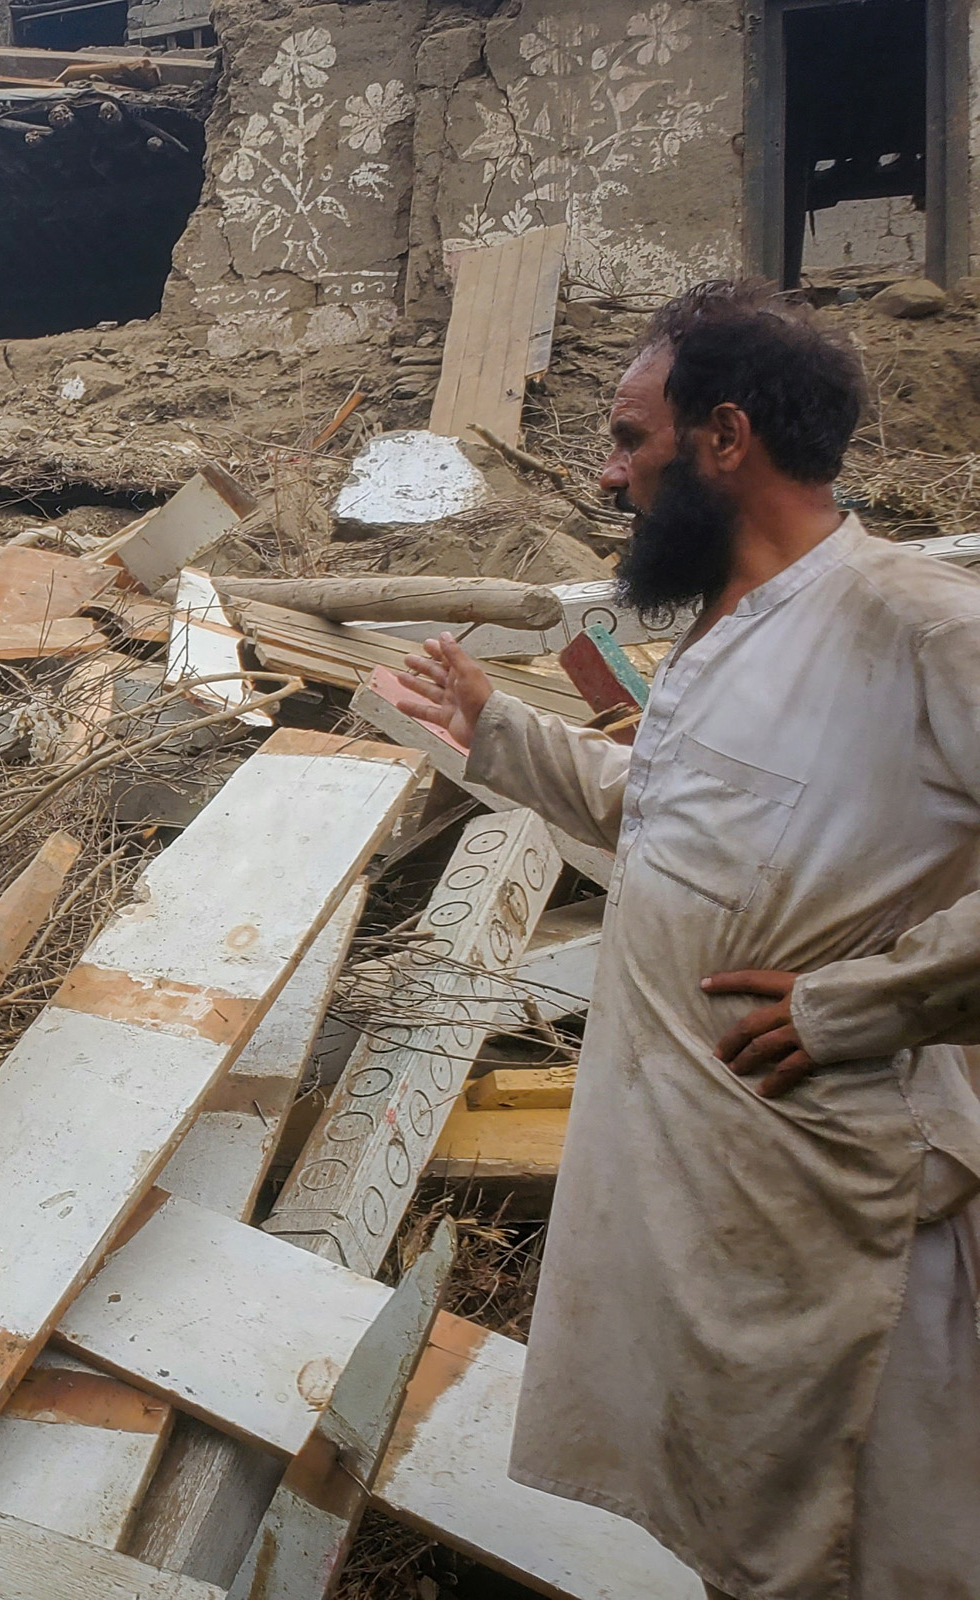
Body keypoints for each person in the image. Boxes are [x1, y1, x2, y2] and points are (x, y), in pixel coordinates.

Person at [380, 280, 980, 1600]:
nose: (607, 473)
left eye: (627, 436)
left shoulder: (914, 622)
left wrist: (866, 1007)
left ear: (724, 438)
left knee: (857, 1537)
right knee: (739, 1519)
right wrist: (501, 731)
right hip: (713, 1193)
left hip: (829, 1193)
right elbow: (673, 825)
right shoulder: (726, 623)